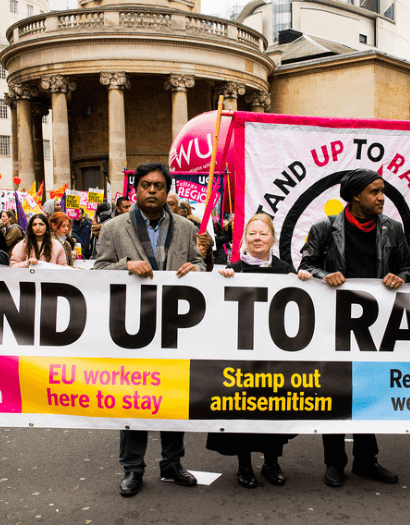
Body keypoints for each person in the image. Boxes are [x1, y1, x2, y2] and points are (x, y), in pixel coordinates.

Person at [298, 168, 410, 488]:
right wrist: (324, 276)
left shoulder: (393, 229)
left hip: (374, 327)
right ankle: (334, 462)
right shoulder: (324, 228)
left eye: (383, 191)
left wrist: (400, 277)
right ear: (354, 196)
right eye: (375, 192)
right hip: (333, 324)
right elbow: (305, 265)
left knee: (368, 392)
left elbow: (408, 268)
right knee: (334, 393)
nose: (381, 197)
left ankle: (366, 460)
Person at [95, 162, 205, 497]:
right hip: (133, 332)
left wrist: (196, 267)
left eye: (158, 185)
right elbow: (98, 271)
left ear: (167, 190)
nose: (152, 191)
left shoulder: (186, 228)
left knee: (173, 400)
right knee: (133, 403)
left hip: (174, 330)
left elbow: (200, 264)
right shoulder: (113, 228)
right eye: (145, 185)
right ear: (136, 190)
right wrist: (125, 266)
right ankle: (132, 468)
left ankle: (172, 464)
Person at [207, 213, 310, 488]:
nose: (257, 238)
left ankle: (271, 462)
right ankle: (244, 465)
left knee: (273, 409)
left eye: (263, 234)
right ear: (244, 239)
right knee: (242, 409)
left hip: (275, 356)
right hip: (242, 356)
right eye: (252, 234)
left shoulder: (286, 270)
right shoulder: (234, 269)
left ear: (273, 239)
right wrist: (224, 279)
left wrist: (302, 280)